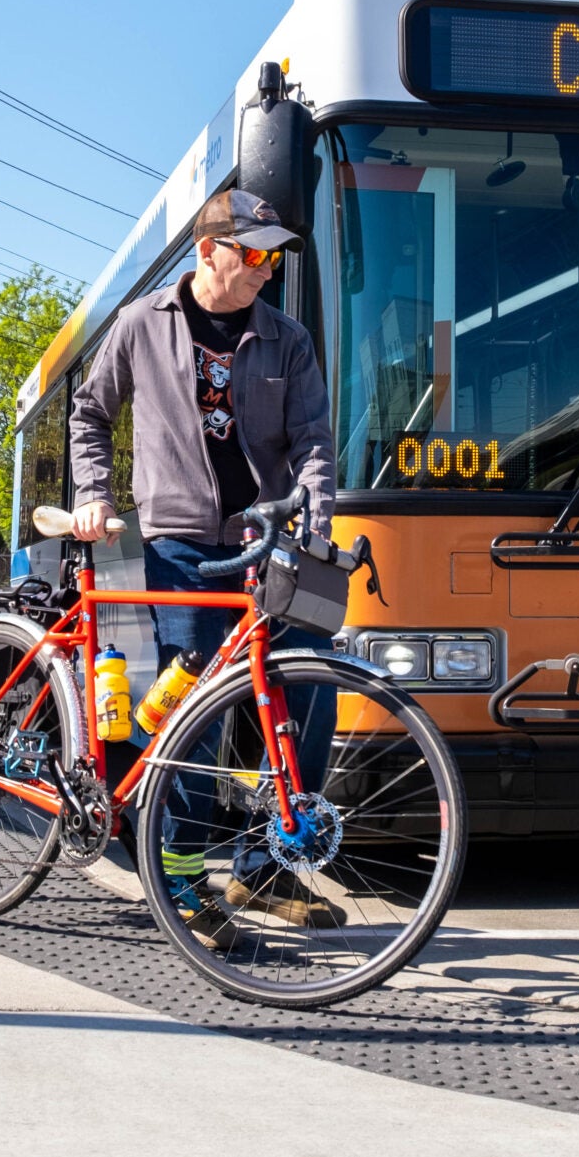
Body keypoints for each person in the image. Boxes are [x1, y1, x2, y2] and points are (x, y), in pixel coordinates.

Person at [68, 187, 343, 947]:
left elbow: (313, 438)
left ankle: (263, 860)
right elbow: (88, 413)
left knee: (313, 683)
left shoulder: (286, 338)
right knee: (197, 711)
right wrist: (95, 494)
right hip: (181, 547)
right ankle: (185, 879)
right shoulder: (141, 325)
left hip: (265, 545)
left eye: (272, 256)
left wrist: (315, 519)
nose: (265, 268)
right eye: (252, 254)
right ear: (208, 251)